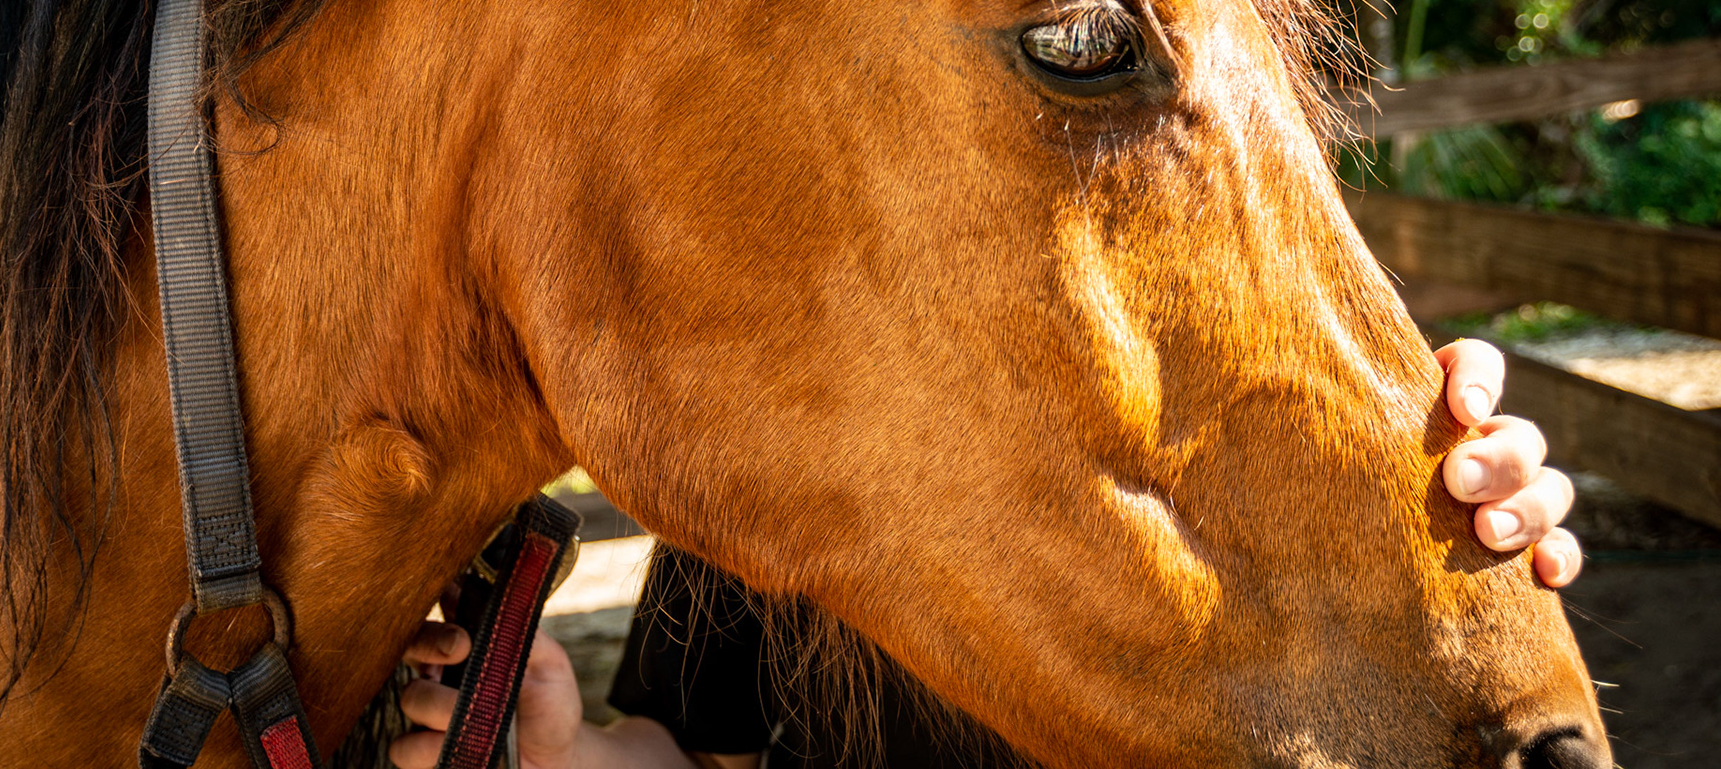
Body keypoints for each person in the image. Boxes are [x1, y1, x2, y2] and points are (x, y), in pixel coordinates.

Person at [388, 340, 1580, 769]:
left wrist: (1457, 550)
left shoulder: (1244, 443)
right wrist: (574, 750)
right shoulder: (785, 442)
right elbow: (704, 752)